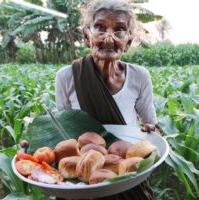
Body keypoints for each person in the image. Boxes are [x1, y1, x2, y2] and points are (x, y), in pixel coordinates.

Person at [55, 0, 160, 199]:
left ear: (128, 41)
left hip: (125, 174)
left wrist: (151, 132)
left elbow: (152, 126)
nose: (109, 39)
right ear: (87, 36)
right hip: (82, 179)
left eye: (119, 29)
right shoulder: (67, 77)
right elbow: (62, 133)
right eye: (100, 28)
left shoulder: (139, 76)